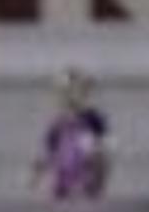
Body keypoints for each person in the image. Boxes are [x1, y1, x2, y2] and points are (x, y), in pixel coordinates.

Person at [31, 68, 111, 200]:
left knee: (92, 151)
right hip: (64, 177)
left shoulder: (92, 118)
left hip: (86, 174)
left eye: (74, 92)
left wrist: (98, 158)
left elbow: (103, 144)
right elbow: (48, 150)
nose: (68, 98)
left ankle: (86, 185)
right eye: (63, 94)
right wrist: (37, 172)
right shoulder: (58, 123)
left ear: (85, 93)